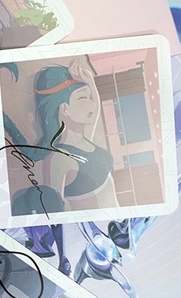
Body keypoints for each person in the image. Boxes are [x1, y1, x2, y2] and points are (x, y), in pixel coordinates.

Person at [6, 61, 118, 214]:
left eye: (88, 96)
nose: (91, 104)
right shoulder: (60, 159)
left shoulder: (82, 140)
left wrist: (89, 81)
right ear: (65, 108)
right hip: (99, 226)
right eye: (83, 98)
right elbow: (55, 211)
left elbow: (95, 109)